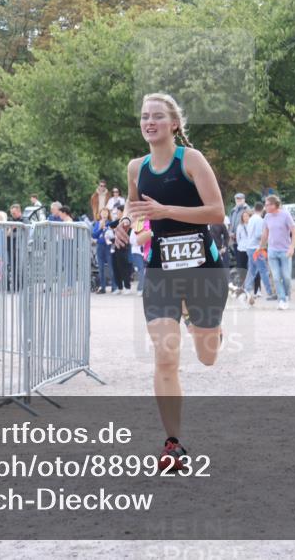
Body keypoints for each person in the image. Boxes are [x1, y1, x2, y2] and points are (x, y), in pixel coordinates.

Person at [112, 92, 228, 470]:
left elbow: (217, 212)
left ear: (174, 123)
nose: (150, 122)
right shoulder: (136, 167)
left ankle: (206, 326)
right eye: (145, 116)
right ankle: (172, 443)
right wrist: (128, 223)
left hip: (202, 272)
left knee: (207, 357)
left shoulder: (190, 160)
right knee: (165, 358)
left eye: (158, 116)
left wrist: (166, 211)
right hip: (161, 272)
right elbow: (135, 205)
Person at [258, 194, 295, 310]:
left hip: (285, 250)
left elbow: (294, 232)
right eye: (265, 205)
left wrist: (292, 247)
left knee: (286, 277)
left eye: (268, 204)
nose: (265, 207)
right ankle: (282, 299)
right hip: (272, 251)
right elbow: (265, 233)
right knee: (276, 277)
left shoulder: (285, 215)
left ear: (275, 205)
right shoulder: (267, 217)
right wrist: (260, 247)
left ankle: (286, 294)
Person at [242, 201, 274, 304]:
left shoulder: (251, 219)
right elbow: (258, 235)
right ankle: (270, 292)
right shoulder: (260, 220)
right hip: (257, 248)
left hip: (249, 247)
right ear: (263, 209)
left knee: (252, 270)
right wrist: (267, 236)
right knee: (263, 270)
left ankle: (246, 290)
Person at [109, 207, 133, 294]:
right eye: (116, 212)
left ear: (123, 212)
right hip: (114, 248)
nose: (117, 214)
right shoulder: (118, 221)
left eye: (119, 212)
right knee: (116, 267)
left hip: (123, 248)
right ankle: (119, 287)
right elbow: (110, 225)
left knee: (124, 268)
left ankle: (127, 287)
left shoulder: (127, 222)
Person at [92, 208, 114, 294]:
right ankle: (103, 287)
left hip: (108, 246)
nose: (104, 214)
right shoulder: (97, 223)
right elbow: (94, 235)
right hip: (100, 246)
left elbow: (113, 235)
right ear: (100, 214)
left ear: (108, 214)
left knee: (111, 266)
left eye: (106, 212)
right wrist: (100, 228)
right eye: (102, 212)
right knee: (100, 267)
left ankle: (114, 287)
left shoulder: (111, 223)